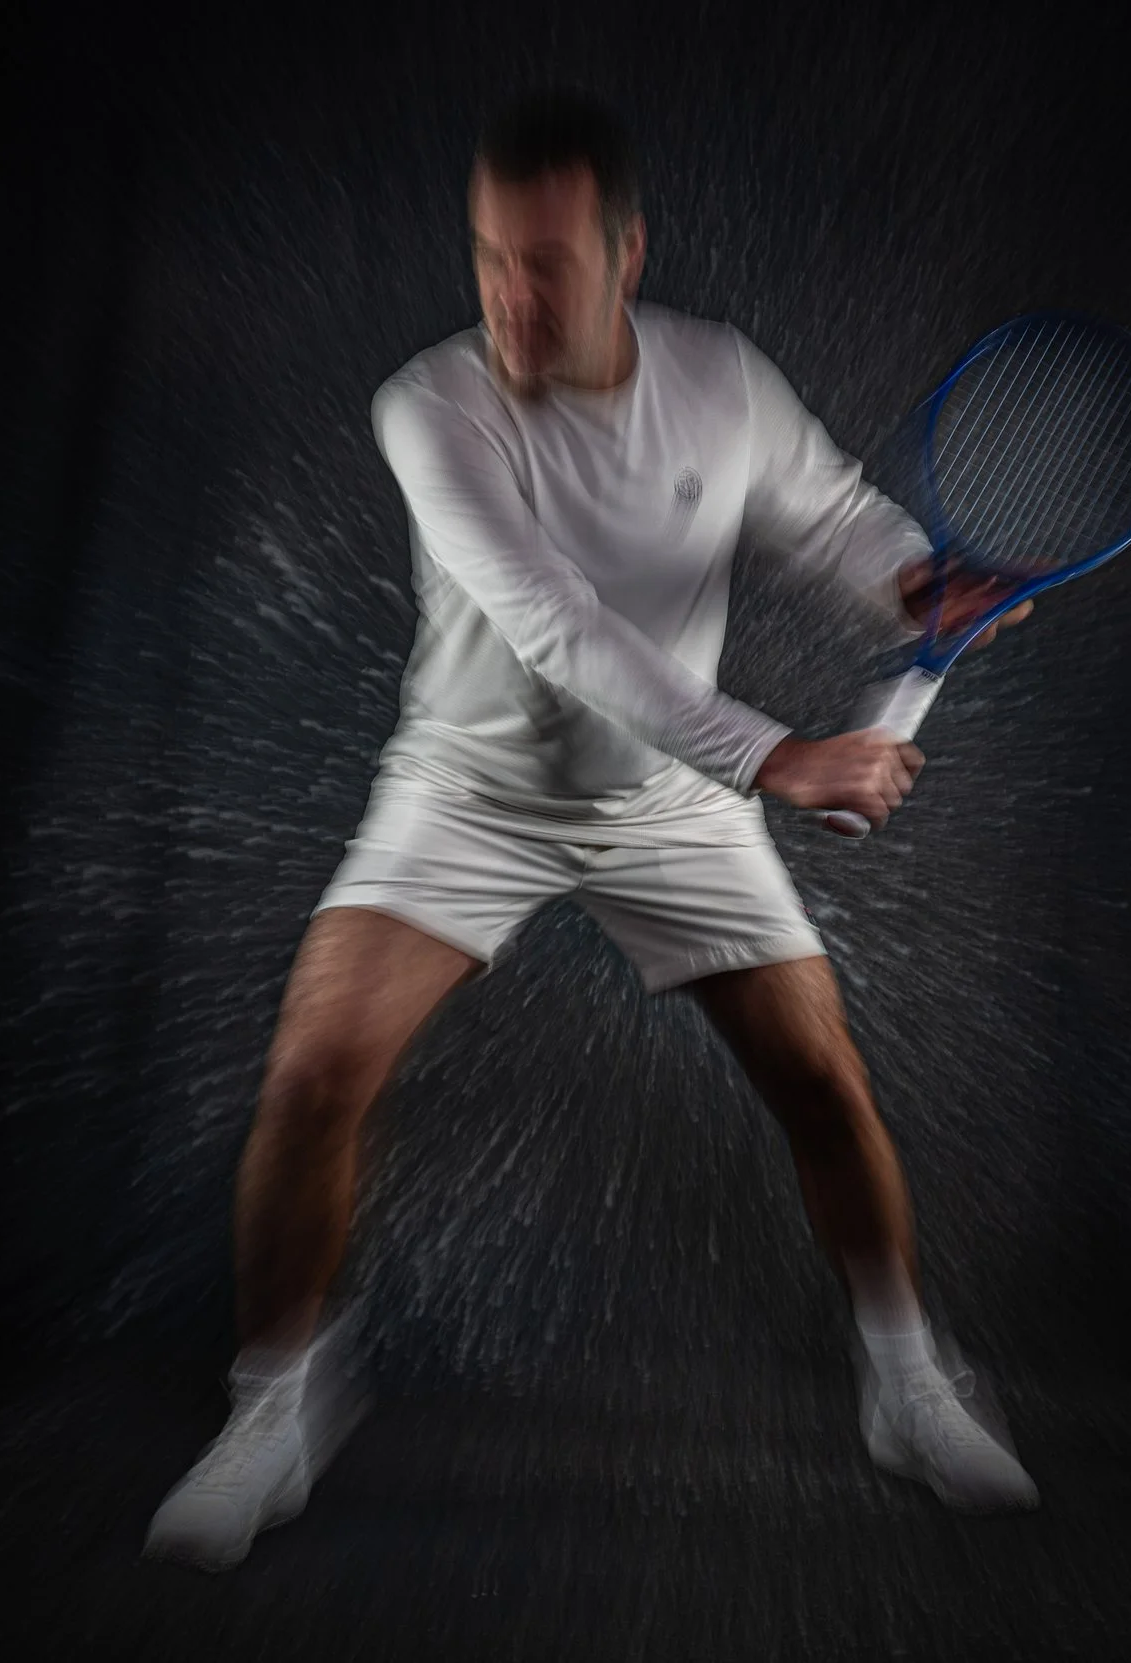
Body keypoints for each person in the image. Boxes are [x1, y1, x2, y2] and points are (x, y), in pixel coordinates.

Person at [146, 90, 1040, 1573]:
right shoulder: (427, 404)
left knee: (824, 1081)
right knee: (311, 1074)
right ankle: (274, 1408)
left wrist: (914, 585)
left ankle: (905, 1378)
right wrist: (780, 757)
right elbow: (561, 630)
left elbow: (835, 523)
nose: (510, 296)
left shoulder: (722, 382)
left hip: (668, 804)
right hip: (467, 793)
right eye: (491, 259)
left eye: (547, 264)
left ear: (628, 258)